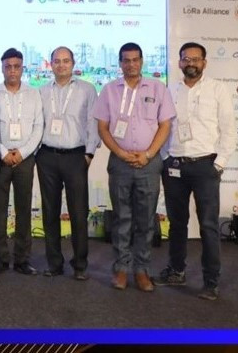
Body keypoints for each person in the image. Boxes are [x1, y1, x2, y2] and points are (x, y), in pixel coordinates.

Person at [155, 42, 235, 301]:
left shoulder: (217, 89)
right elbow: (163, 126)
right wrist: (166, 157)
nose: (191, 63)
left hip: (205, 166)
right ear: (179, 62)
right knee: (177, 223)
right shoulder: (170, 90)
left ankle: (211, 282)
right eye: (186, 59)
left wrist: (218, 164)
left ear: (204, 63)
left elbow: (229, 129)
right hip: (175, 165)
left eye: (196, 59)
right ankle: (176, 270)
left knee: (209, 225)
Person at [94, 42, 175, 292]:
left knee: (145, 220)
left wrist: (148, 154)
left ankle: (142, 270)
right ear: (120, 63)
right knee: (122, 218)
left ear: (142, 61)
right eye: (126, 60)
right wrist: (120, 153)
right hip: (120, 163)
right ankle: (121, 268)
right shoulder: (109, 90)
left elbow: (165, 125)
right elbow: (102, 128)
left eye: (135, 59)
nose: (131, 64)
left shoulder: (158, 88)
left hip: (148, 163)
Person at [36, 46, 100, 280]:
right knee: (50, 212)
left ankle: (80, 264)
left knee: (78, 212)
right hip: (47, 156)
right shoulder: (42, 91)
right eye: (57, 61)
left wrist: (89, 154)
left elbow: (93, 122)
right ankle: (54, 263)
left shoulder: (87, 89)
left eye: (65, 61)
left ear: (73, 64)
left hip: (76, 156)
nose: (61, 65)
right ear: (50, 64)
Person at [0, 48, 44, 276]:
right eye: (8, 67)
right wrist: (3, 152)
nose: (12, 70)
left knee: (24, 210)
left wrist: (22, 152)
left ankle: (22, 259)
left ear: (22, 68)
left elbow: (39, 127)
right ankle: (1, 259)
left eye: (16, 66)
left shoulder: (34, 94)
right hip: (0, 158)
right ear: (2, 68)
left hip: (25, 159)